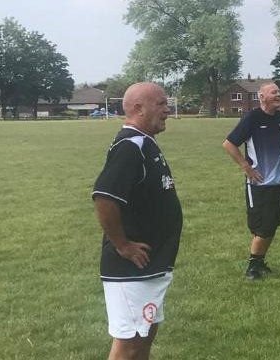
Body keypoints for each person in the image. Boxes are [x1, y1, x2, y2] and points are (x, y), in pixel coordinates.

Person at [92, 82, 180, 360]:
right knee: (129, 345)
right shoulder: (130, 146)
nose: (167, 109)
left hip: (150, 266)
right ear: (138, 108)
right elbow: (104, 197)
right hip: (131, 268)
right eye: (161, 104)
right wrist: (122, 245)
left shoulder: (145, 143)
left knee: (144, 338)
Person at [222, 82, 280, 280]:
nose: (279, 94)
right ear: (262, 97)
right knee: (262, 226)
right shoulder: (252, 118)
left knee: (272, 224)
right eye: (274, 92)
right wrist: (247, 167)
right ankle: (253, 267)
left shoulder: (279, 118)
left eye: (279, 91)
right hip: (259, 183)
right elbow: (229, 144)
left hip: (277, 180)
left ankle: (259, 262)